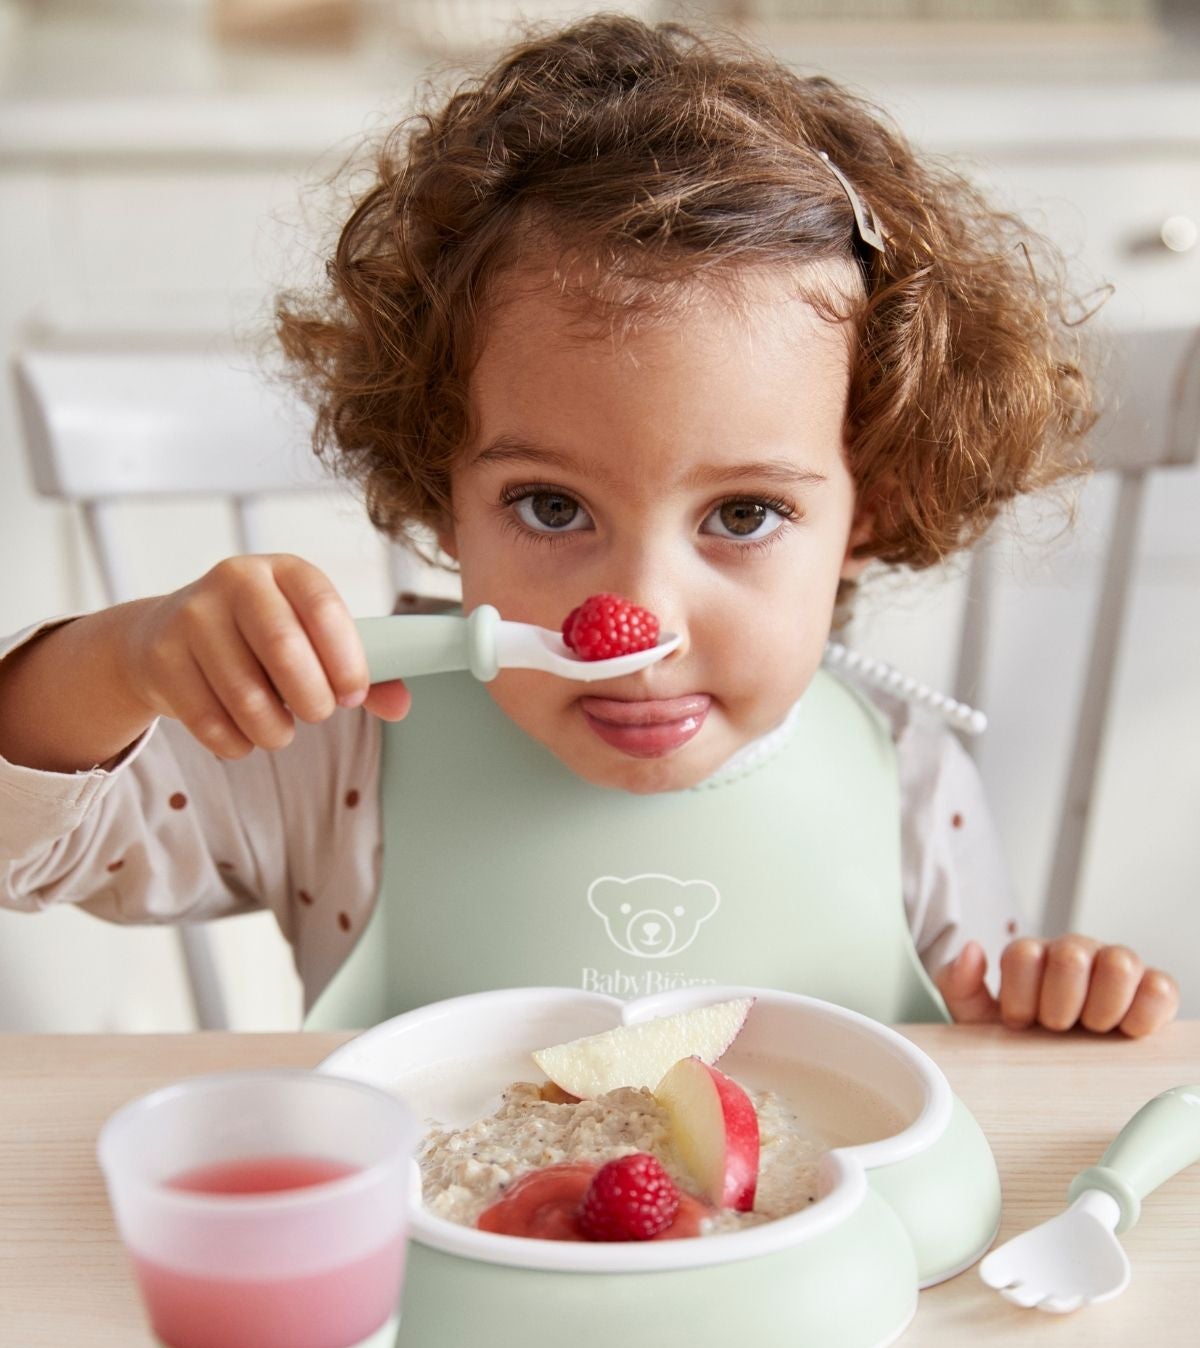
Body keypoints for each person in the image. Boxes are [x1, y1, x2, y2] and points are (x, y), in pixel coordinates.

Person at [0, 15, 1179, 1035]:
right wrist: (124, 658)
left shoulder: (909, 784)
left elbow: (956, 1089)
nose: (640, 623)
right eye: (552, 506)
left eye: (745, 513)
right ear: (440, 484)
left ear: (872, 504)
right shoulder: (340, 752)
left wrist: (1031, 1016)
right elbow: (27, 849)